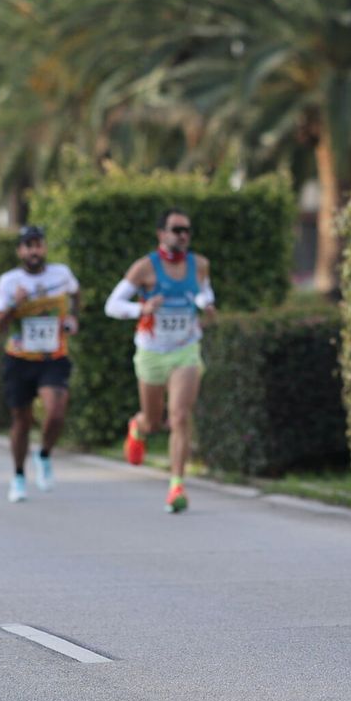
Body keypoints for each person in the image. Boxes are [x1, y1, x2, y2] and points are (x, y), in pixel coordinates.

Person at [103, 208, 216, 514]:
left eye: (187, 230)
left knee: (179, 416)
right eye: (176, 229)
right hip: (152, 352)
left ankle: (176, 485)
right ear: (161, 234)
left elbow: (204, 293)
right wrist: (141, 309)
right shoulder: (144, 268)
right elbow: (111, 306)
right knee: (154, 421)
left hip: (185, 350)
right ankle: (138, 428)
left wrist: (206, 305)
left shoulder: (200, 265)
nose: (183, 235)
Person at [0, 225, 80, 503]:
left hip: (52, 357)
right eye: (28, 246)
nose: (33, 251)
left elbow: (76, 294)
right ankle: (18, 475)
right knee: (22, 420)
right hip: (19, 360)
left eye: (38, 244)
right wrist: (15, 305)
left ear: (45, 248)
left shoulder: (61, 274)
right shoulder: (8, 281)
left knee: (55, 412)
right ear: (20, 251)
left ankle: (44, 455)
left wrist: (73, 317)